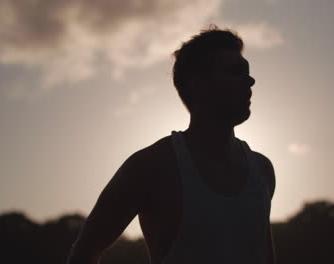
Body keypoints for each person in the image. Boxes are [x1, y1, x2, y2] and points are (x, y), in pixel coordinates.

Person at [67, 25, 277, 264]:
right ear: (197, 84)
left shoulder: (262, 170)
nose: (250, 80)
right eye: (234, 71)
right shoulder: (151, 167)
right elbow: (84, 254)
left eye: (247, 71)